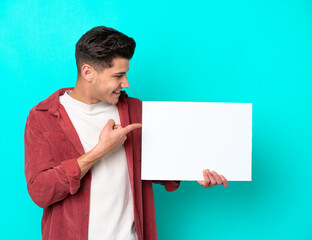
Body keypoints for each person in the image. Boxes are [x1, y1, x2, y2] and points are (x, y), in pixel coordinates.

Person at [24, 26, 228, 240]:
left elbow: (156, 164)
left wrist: (193, 171)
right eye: (118, 75)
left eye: (126, 74)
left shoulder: (136, 111)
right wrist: (99, 152)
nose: (126, 83)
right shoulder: (43, 118)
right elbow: (40, 192)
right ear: (88, 72)